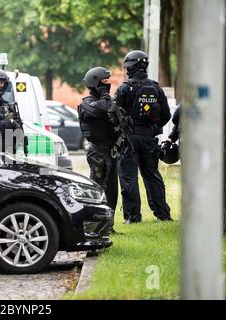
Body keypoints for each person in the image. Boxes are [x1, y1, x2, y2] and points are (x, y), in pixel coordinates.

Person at [115, 50, 173, 223]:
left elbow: (114, 114)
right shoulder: (156, 88)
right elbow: (166, 115)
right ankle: (163, 215)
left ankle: (132, 217)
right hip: (149, 139)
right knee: (152, 175)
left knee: (128, 177)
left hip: (129, 140)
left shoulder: (124, 88)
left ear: (130, 66)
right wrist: (153, 129)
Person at [78, 67, 119, 232]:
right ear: (95, 83)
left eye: (108, 82)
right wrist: (105, 97)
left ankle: (108, 226)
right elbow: (97, 109)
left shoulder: (107, 100)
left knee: (112, 192)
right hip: (98, 152)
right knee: (98, 190)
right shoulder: (87, 102)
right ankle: (93, 227)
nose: (107, 85)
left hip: (111, 151)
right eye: (104, 82)